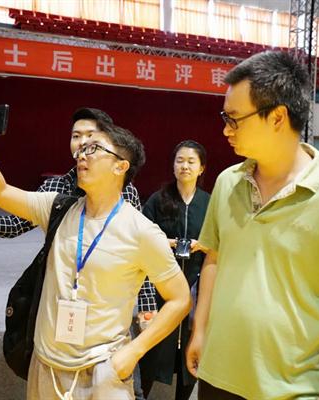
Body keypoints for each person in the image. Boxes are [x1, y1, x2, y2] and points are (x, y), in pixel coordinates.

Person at [185, 50, 319, 400]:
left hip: (292, 390)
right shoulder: (228, 182)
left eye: (234, 119)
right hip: (216, 377)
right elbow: (214, 259)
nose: (225, 129)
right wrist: (199, 329)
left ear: (277, 117)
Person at [0, 114, 192, 399]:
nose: (82, 154)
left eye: (94, 148)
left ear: (120, 166)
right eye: (82, 147)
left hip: (103, 371)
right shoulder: (58, 208)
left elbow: (180, 299)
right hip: (45, 366)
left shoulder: (142, 231)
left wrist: (132, 353)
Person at [140, 140, 210, 400]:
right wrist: (165, 242)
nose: (185, 166)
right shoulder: (158, 199)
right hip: (162, 287)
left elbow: (221, 241)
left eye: (191, 162)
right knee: (153, 351)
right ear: (172, 166)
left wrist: (203, 245)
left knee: (191, 353)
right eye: (180, 160)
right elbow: (141, 236)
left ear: (201, 168)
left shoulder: (210, 203)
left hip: (196, 286)